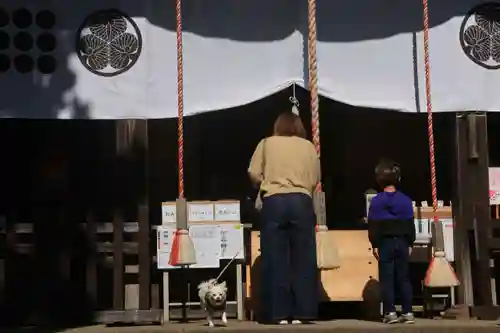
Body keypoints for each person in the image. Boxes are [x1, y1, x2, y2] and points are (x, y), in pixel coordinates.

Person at [248, 111, 320, 325]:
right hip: (301, 200)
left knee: (275, 257)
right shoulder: (308, 146)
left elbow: (253, 172)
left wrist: (264, 183)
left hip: (275, 200)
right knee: (303, 258)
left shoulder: (266, 143)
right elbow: (315, 177)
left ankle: (278, 313)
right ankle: (302, 312)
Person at [367, 160, 415, 324]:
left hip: (385, 242)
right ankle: (408, 311)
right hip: (402, 240)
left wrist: (374, 244)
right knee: (404, 277)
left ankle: (390, 312)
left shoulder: (376, 201)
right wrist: (410, 242)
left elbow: (373, 224)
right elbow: (410, 223)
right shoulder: (406, 200)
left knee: (387, 278)